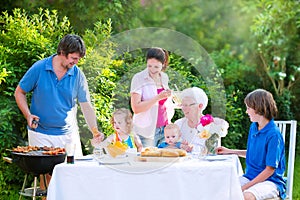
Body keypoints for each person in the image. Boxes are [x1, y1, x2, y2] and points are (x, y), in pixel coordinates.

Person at [14, 34, 104, 188]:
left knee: (73, 179)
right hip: (40, 134)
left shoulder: (77, 75)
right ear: (62, 52)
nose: (76, 62)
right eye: (73, 58)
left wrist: (94, 130)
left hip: (68, 135)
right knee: (47, 182)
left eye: (78, 59)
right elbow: (19, 92)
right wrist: (28, 115)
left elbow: (86, 105)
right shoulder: (40, 68)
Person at [216, 89, 286, 200]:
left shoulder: (274, 135)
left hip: (270, 181)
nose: (246, 112)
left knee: (245, 196)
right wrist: (230, 151)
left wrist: (245, 187)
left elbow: (270, 169)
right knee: (221, 190)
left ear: (259, 108)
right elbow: (254, 153)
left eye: (248, 108)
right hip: (250, 177)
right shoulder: (254, 127)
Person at [130, 47, 175, 147]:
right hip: (147, 132)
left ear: (163, 64)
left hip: (165, 130)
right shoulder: (139, 78)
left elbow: (163, 105)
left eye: (156, 67)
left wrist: (174, 102)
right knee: (148, 161)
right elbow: (136, 108)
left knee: (165, 160)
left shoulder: (164, 77)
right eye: (149, 66)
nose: (152, 70)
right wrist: (158, 97)